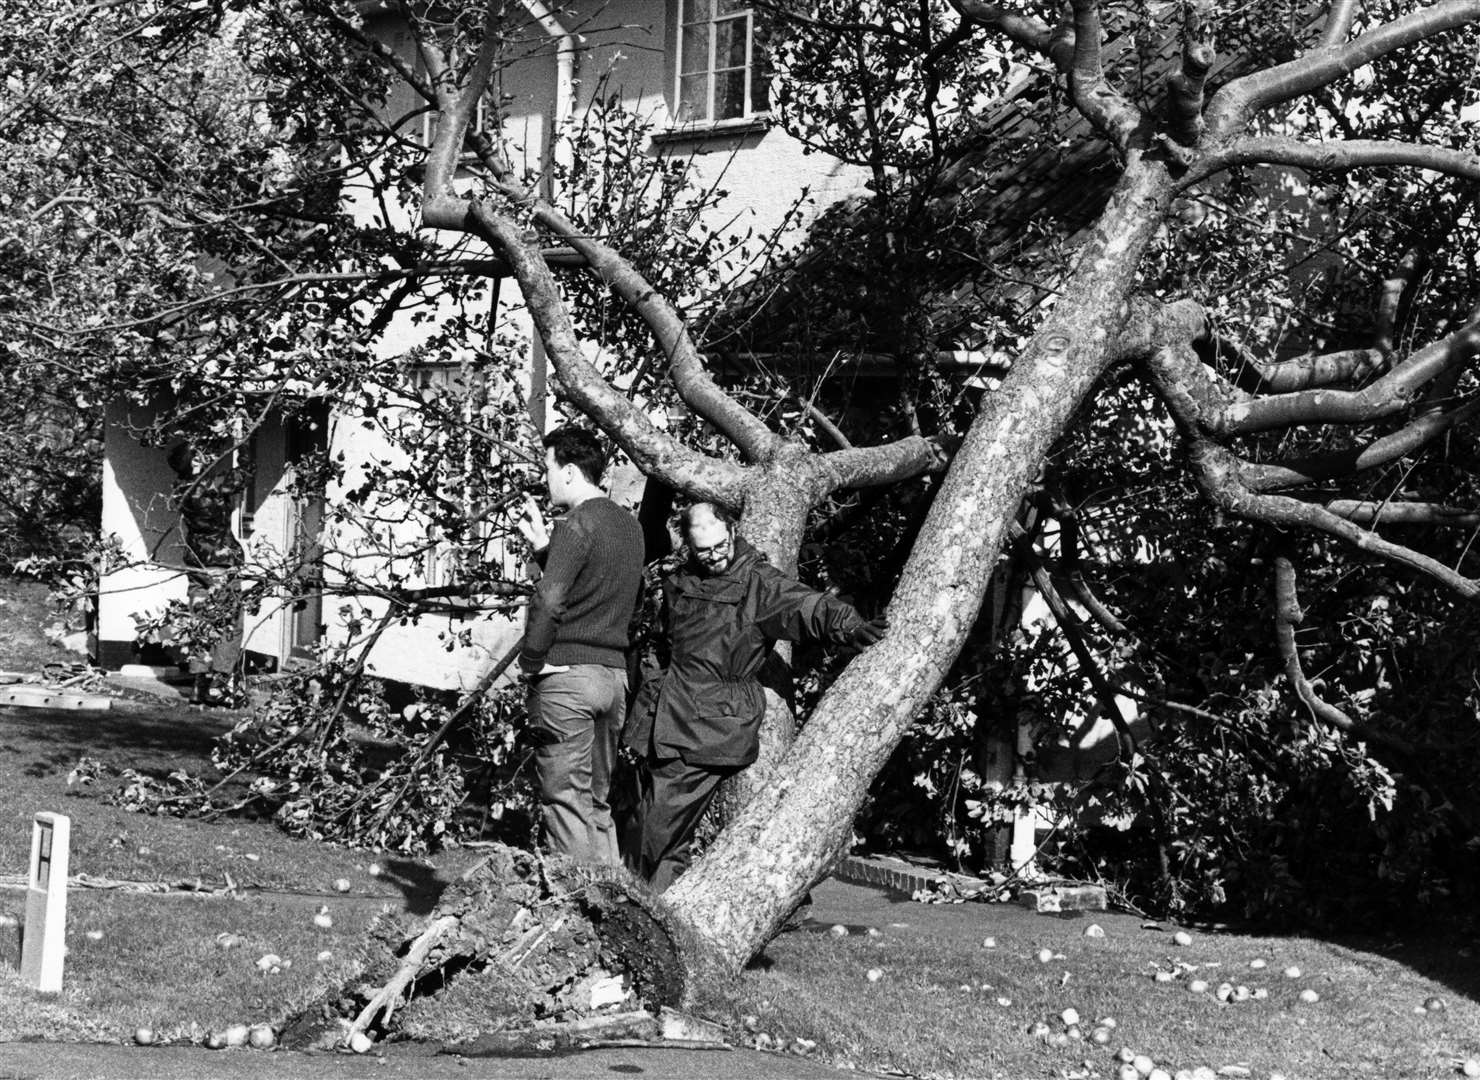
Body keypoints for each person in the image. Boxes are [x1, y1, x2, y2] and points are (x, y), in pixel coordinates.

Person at [628, 501, 887, 891]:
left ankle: (632, 902)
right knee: (655, 832)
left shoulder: (757, 582)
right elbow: (668, 641)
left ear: (732, 531)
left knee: (653, 831)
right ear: (688, 545)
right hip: (668, 715)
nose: (714, 556)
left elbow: (805, 604)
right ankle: (657, 914)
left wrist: (849, 627)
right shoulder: (680, 579)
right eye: (703, 550)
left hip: (708, 724)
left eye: (720, 546)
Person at [517, 426, 644, 866]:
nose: (546, 478)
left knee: (565, 801)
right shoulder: (630, 527)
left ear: (569, 471)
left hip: (568, 679)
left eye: (548, 468)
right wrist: (543, 550)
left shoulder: (575, 524)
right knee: (596, 802)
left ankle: (575, 914)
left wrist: (531, 662)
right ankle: (616, 916)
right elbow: (595, 585)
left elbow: (551, 600)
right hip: (613, 680)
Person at [167, 442, 247, 706]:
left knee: (200, 620)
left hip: (196, 562)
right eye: (198, 455)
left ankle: (199, 684)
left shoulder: (179, 489)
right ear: (194, 462)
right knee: (229, 622)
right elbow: (244, 475)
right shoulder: (211, 486)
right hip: (222, 562)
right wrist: (245, 446)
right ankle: (219, 684)